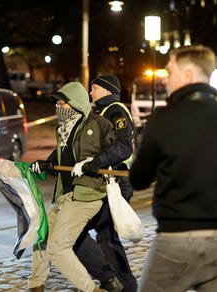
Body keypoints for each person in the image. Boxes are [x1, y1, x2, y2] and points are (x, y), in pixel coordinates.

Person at [129, 45, 217, 291]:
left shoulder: (163, 120)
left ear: (187, 75)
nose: (166, 79)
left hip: (176, 239)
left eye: (170, 71)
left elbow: (139, 179)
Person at [28, 81, 116, 292]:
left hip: (87, 194)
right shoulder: (63, 129)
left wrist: (94, 163)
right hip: (66, 195)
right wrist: (45, 164)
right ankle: (35, 286)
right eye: (57, 105)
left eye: (62, 104)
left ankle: (92, 290)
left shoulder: (97, 124)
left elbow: (117, 151)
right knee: (40, 234)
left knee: (58, 248)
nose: (58, 108)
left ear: (75, 104)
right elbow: (60, 157)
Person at [73, 75, 136, 292]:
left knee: (79, 230)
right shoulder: (100, 113)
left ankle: (112, 280)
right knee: (107, 237)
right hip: (109, 182)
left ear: (108, 91)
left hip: (118, 183)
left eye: (95, 88)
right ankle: (121, 285)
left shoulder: (116, 111)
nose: (91, 93)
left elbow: (124, 147)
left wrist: (97, 162)